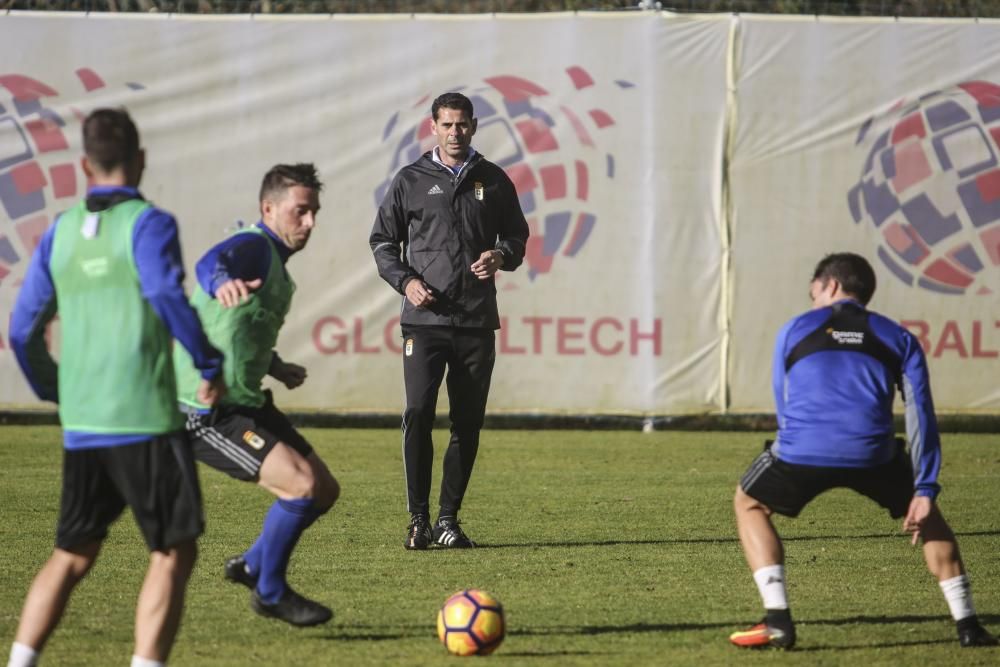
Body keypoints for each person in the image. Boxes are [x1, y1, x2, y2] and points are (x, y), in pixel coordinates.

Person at [7, 108, 225, 667]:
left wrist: (55, 388)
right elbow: (164, 294)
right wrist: (206, 362)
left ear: (84, 164)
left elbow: (21, 328)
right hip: (145, 418)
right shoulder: (149, 224)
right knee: (173, 550)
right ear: (142, 159)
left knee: (72, 553)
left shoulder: (58, 232)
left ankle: (21, 660)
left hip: (84, 423)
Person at [729, 252, 997, 650]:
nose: (812, 302)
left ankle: (778, 619)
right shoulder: (899, 337)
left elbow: (782, 403)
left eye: (813, 293)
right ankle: (968, 625)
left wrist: (796, 444)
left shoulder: (794, 328)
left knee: (748, 503)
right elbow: (920, 414)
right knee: (930, 519)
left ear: (831, 286)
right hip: (875, 454)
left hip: (801, 450)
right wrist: (924, 489)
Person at [172, 163, 339, 627]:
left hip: (247, 401)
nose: (310, 223)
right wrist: (219, 280)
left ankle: (250, 565)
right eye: (300, 211)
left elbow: (237, 332)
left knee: (324, 490)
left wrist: (276, 365)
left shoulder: (277, 270)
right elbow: (211, 263)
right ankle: (269, 591)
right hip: (206, 409)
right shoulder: (252, 245)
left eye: (315, 213)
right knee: (302, 487)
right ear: (269, 208)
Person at [370, 92, 530, 550]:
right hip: (424, 321)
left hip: (477, 321)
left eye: (462, 125)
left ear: (474, 126)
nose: (455, 133)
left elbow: (517, 235)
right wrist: (406, 283)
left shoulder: (494, 180)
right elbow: (383, 242)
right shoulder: (411, 180)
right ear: (433, 127)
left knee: (467, 423)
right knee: (419, 412)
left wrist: (501, 254)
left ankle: (447, 521)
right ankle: (418, 520)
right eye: (447, 125)